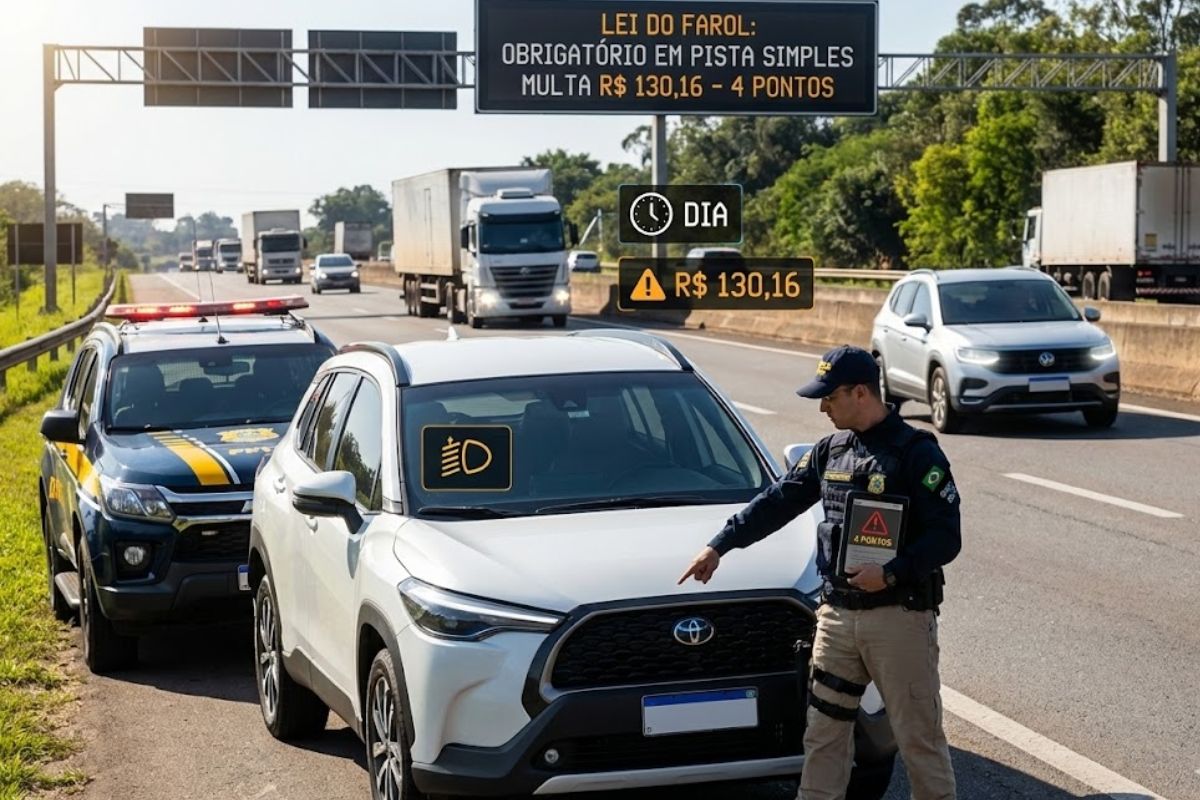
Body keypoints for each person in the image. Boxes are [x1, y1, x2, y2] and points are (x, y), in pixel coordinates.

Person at [678, 344, 961, 800]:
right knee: (823, 737)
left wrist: (891, 573)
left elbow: (947, 538)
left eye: (831, 397)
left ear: (861, 393)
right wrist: (720, 545)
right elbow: (779, 501)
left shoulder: (916, 454)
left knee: (919, 740)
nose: (823, 407)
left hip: (898, 619)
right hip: (836, 619)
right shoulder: (830, 451)